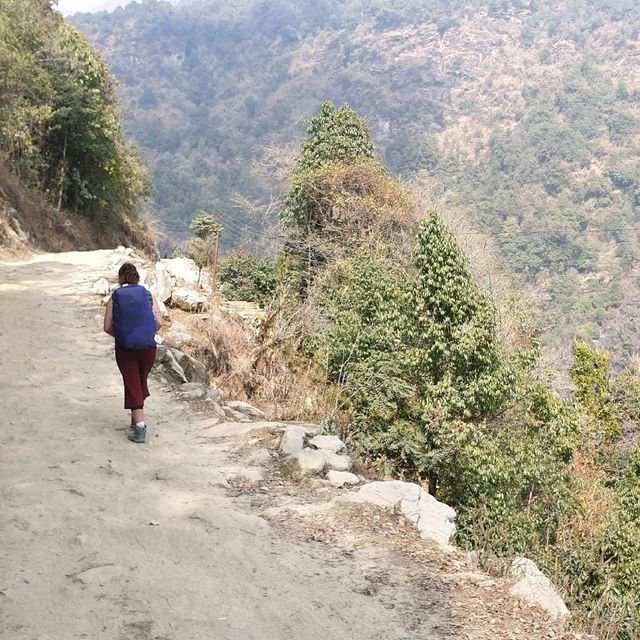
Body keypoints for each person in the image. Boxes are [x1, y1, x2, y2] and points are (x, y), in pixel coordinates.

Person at [103, 262, 163, 443]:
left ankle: (140, 428)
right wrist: (145, 333)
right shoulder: (147, 294)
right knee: (138, 383)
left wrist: (122, 336)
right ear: (137, 277)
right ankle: (135, 417)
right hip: (148, 349)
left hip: (126, 349)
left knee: (133, 384)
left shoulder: (115, 297)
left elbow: (107, 327)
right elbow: (159, 323)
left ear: (121, 278)